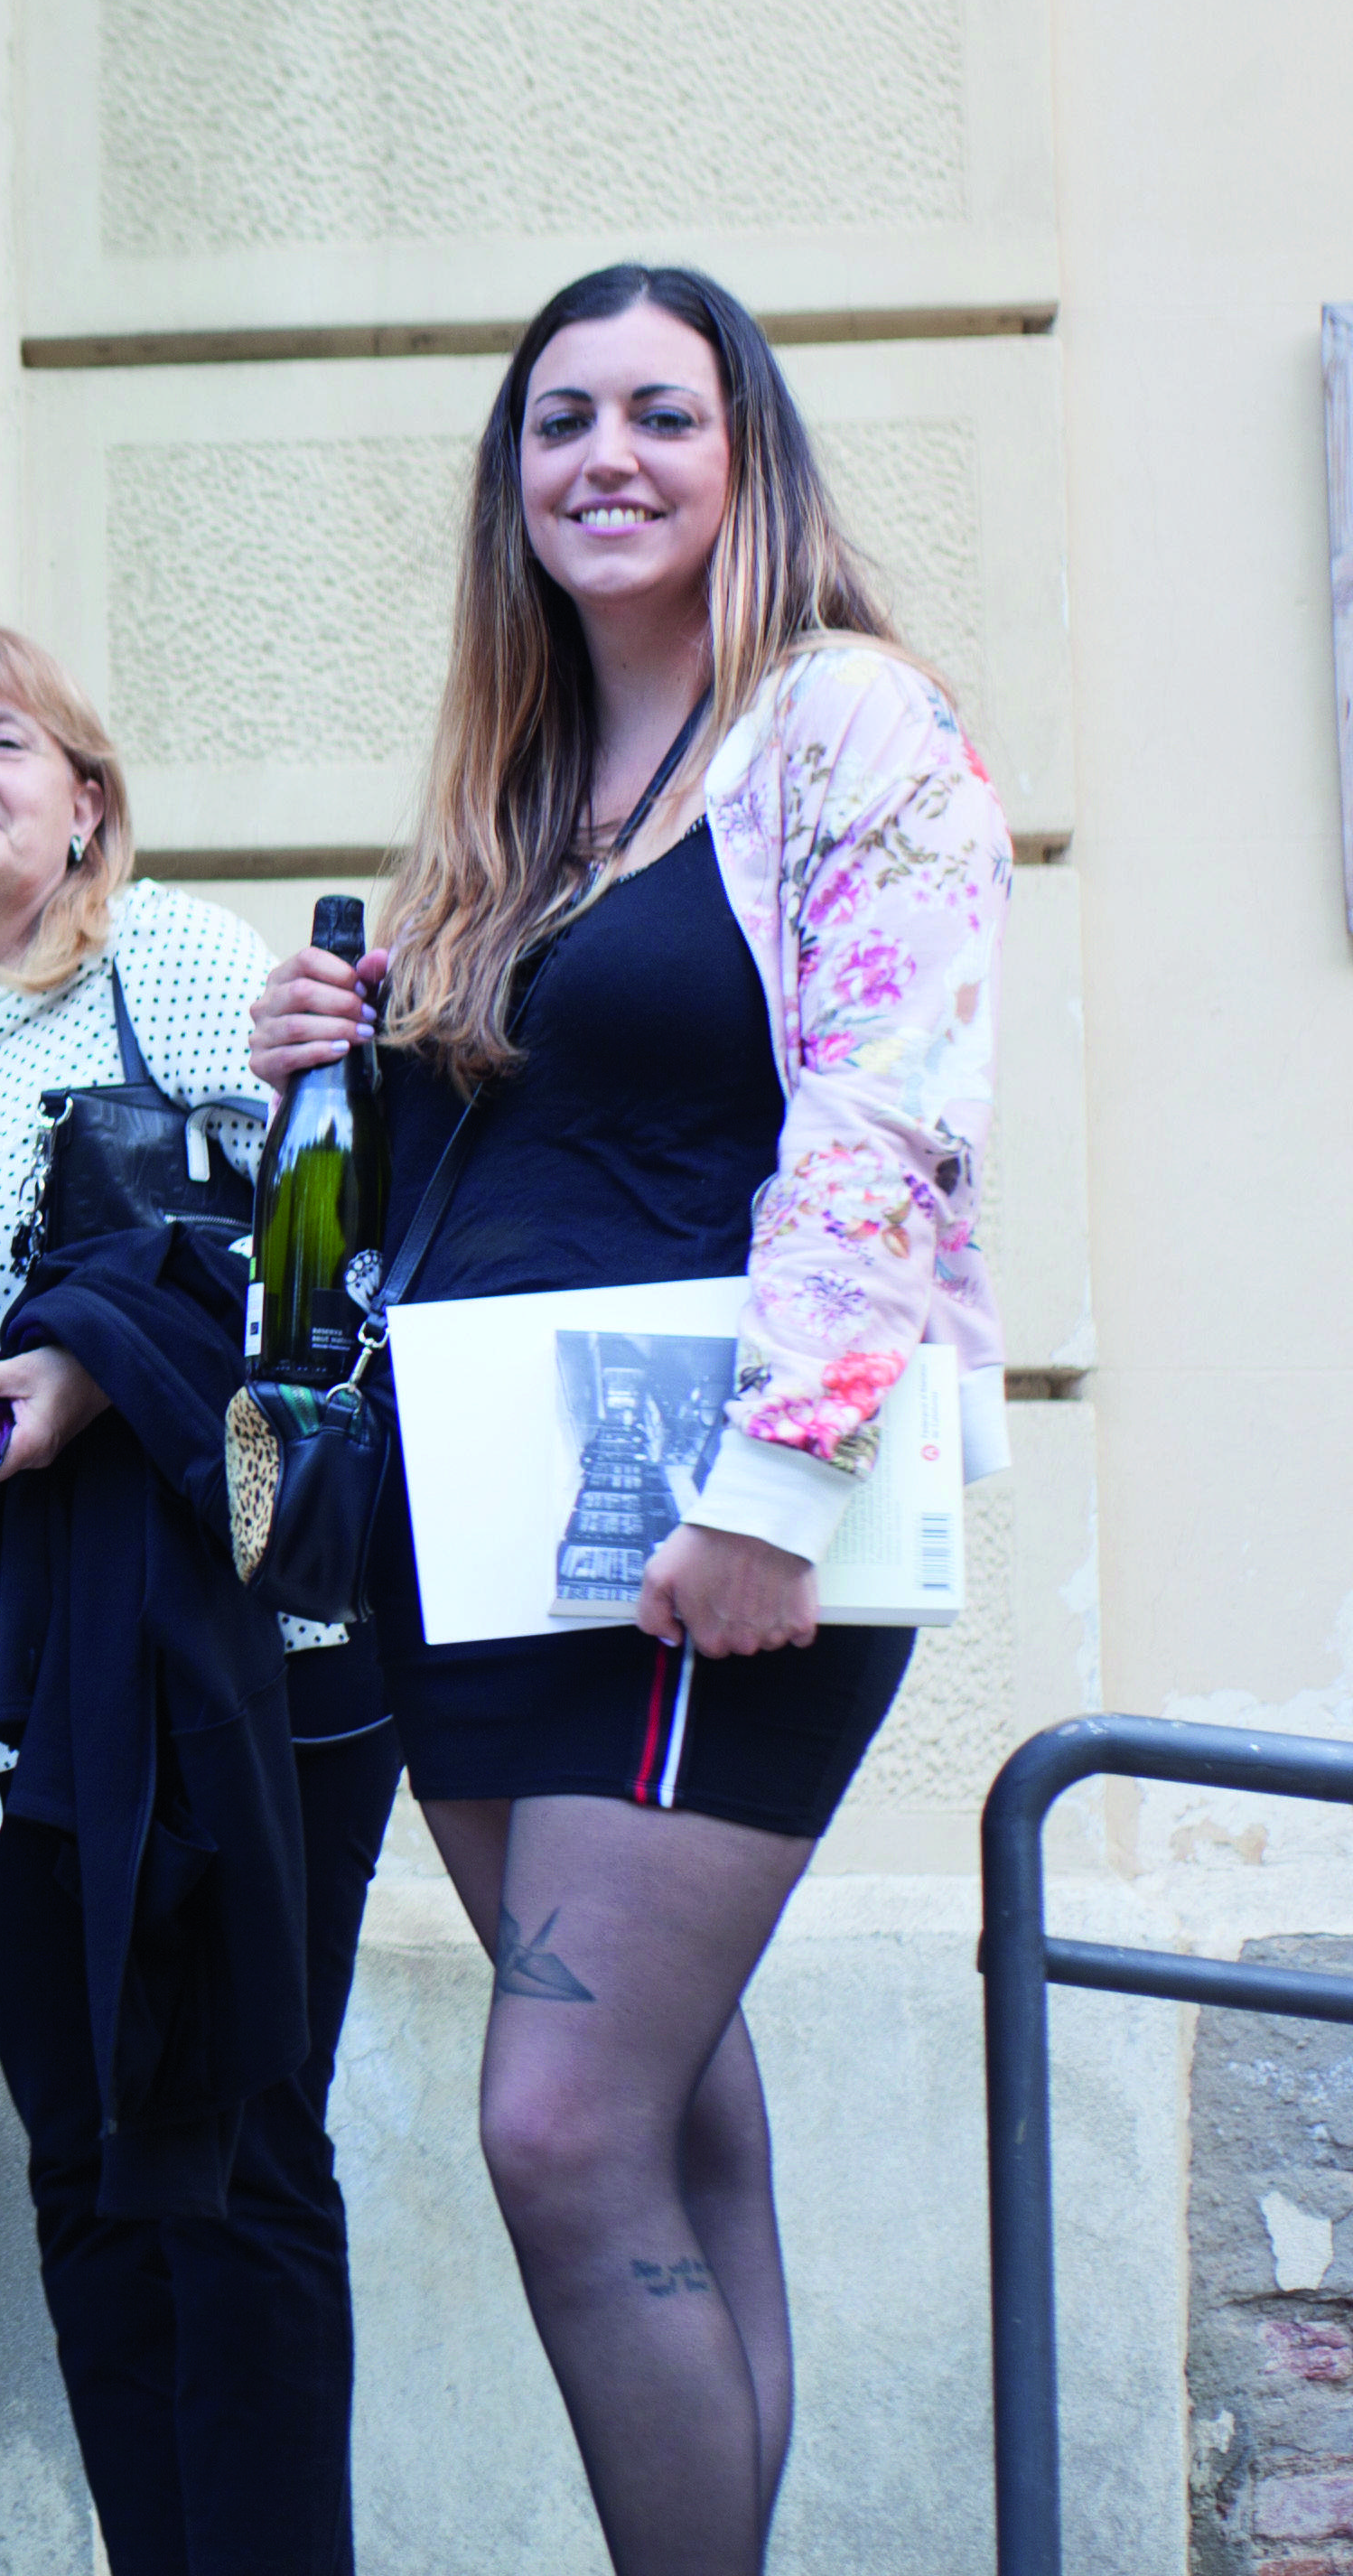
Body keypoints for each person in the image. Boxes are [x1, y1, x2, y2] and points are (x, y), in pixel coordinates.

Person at [246, 264, 1004, 2576]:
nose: (603, 455)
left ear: (745, 455)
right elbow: (486, 1166)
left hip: (717, 1523)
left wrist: (779, 1487)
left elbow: (884, 1113)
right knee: (663, 2103)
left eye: (659, 413)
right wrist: (326, 1057)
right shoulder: (515, 792)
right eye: (556, 416)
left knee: (562, 2126)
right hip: (482, 1523)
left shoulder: (846, 724)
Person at [0, 625, 394, 2576]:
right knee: (89, 2175)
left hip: (225, 1681)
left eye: (5, 741)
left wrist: (103, 1366)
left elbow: (326, 1261)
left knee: (234, 2158)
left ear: (88, 803)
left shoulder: (177, 967)